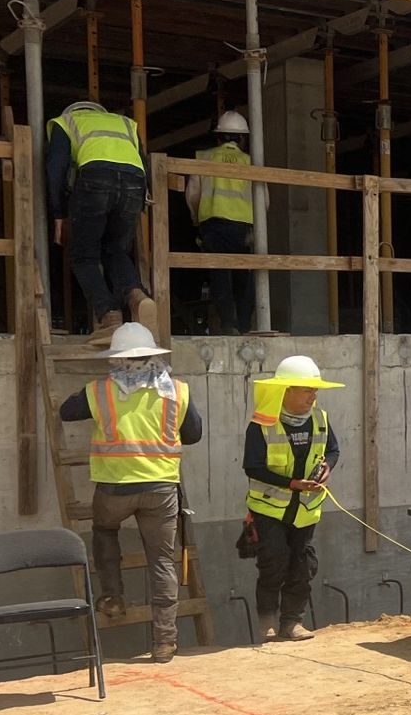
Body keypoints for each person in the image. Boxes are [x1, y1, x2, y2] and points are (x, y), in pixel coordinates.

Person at [58, 322, 201, 664]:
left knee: (105, 531)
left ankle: (112, 598)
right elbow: (193, 434)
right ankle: (165, 641)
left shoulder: (101, 391)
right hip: (161, 488)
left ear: (118, 358)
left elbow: (66, 411)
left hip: (115, 486)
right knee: (162, 561)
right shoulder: (177, 390)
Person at [242, 355, 343, 642]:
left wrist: (327, 468)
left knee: (302, 565)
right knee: (273, 562)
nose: (313, 396)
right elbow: (252, 467)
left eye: (315, 390)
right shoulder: (261, 424)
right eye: (307, 390)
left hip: (305, 510)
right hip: (269, 510)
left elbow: (333, 450)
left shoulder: (320, 419)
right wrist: (291, 484)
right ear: (286, 391)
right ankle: (268, 623)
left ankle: (292, 623)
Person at [47, 99, 158, 345]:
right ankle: (137, 296)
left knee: (83, 255)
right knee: (116, 249)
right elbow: (143, 163)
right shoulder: (126, 124)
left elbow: (56, 169)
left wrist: (58, 214)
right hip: (134, 183)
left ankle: (109, 317)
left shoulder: (65, 123)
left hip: (94, 179)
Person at [185, 110, 258, 334]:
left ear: (218, 137)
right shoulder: (251, 162)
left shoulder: (204, 158)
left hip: (213, 226)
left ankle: (228, 324)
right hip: (243, 228)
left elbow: (193, 194)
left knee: (220, 275)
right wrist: (256, 229)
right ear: (242, 138)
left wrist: (196, 219)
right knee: (244, 277)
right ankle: (244, 325)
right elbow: (263, 200)